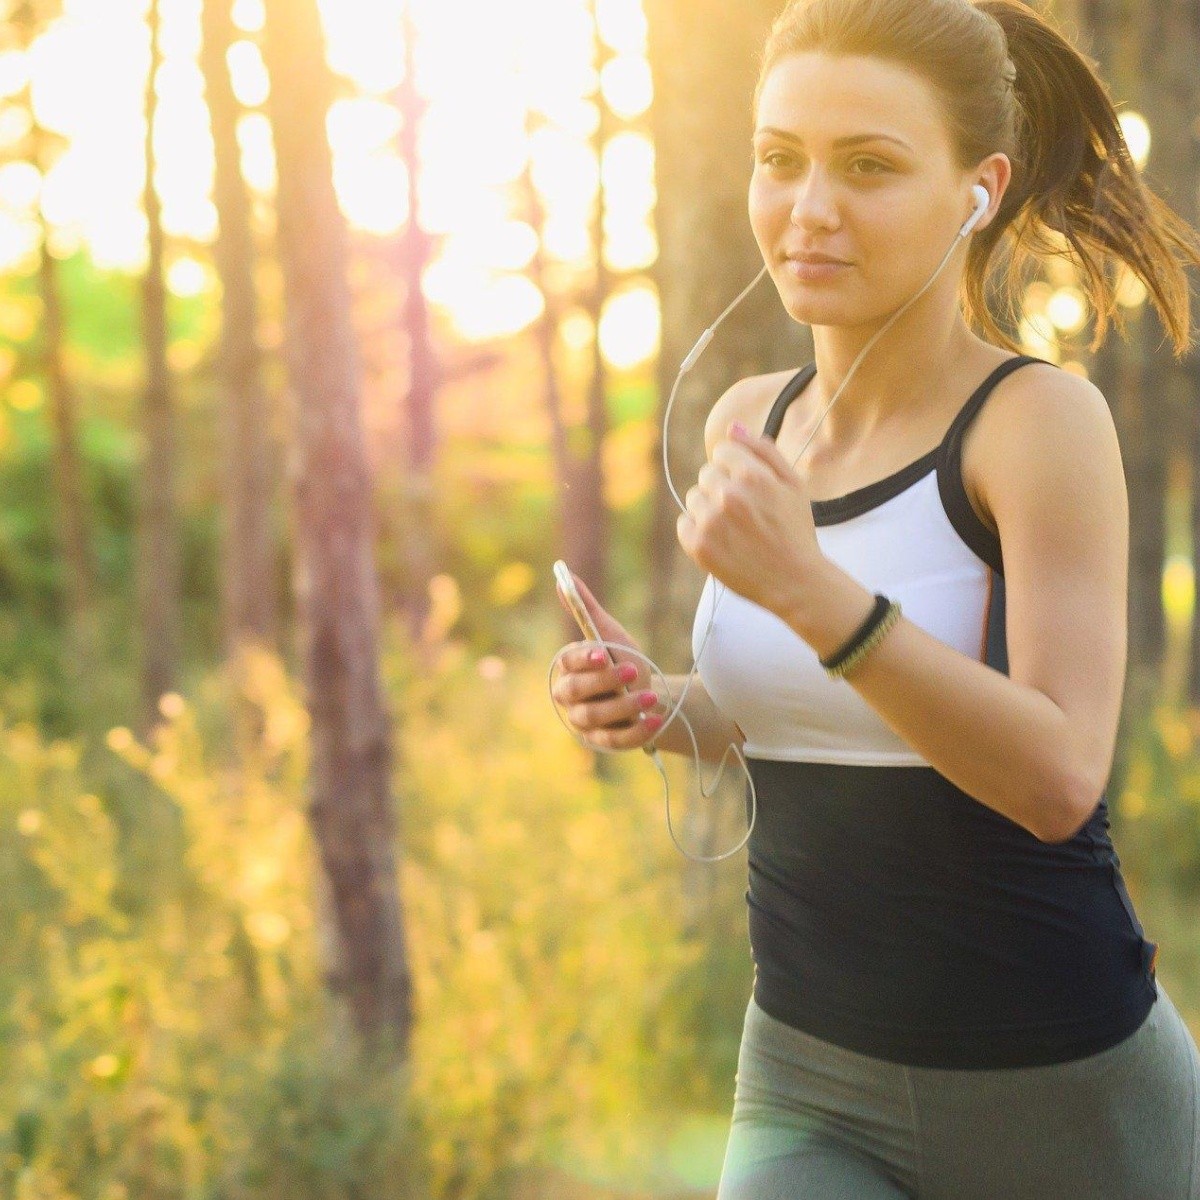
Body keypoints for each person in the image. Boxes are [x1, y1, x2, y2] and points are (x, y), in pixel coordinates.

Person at [550, 0, 1200, 1195]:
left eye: (870, 168)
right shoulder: (752, 414)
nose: (810, 210)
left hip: (1060, 1092)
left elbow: (1059, 778)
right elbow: (791, 713)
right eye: (779, 159)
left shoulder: (1035, 424)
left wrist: (809, 590)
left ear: (979, 188)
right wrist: (662, 705)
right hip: (806, 1077)